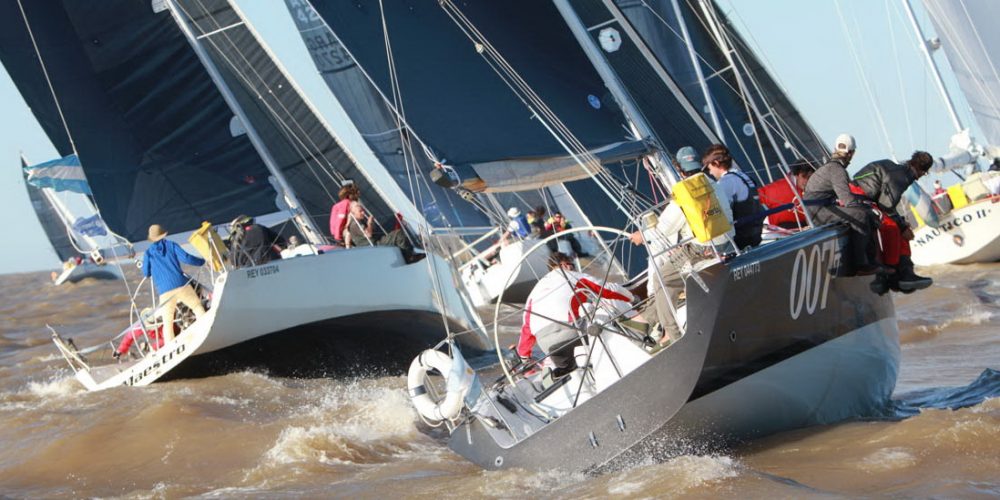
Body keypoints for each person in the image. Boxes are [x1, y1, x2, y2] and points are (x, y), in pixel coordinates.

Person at [629, 146, 734, 342]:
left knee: (662, 280)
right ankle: (646, 319)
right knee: (671, 277)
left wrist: (641, 235)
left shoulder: (685, 192)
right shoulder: (713, 184)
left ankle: (673, 336)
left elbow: (663, 229)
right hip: (727, 243)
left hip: (699, 249)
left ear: (679, 169)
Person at [516, 252, 635, 378]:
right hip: (571, 331)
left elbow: (526, 328)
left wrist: (524, 357)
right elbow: (607, 289)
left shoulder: (534, 292)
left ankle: (564, 373)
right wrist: (632, 298)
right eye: (572, 265)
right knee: (601, 311)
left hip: (547, 344)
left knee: (570, 370)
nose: (574, 268)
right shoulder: (570, 275)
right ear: (564, 265)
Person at [852, 151, 935, 293]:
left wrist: (902, 224)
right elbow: (886, 206)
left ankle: (898, 272)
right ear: (923, 172)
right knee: (893, 227)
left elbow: (884, 203)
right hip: (859, 201)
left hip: (860, 199)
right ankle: (895, 273)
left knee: (896, 225)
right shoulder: (902, 177)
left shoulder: (896, 169)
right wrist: (903, 227)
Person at [802, 134, 881, 275]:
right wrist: (868, 208)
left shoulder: (830, 167)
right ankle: (861, 265)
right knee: (861, 215)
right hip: (818, 211)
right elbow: (847, 200)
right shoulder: (837, 170)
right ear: (851, 153)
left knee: (864, 213)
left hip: (816, 209)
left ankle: (872, 262)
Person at [142, 224, 206, 342]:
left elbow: (146, 273)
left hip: (164, 291)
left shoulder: (148, 254)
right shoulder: (171, 245)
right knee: (197, 307)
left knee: (168, 322)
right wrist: (202, 261)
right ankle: (206, 332)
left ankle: (170, 346)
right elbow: (186, 258)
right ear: (163, 234)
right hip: (181, 285)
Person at [701, 144, 764, 249]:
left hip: (740, 241)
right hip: (756, 234)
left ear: (716, 163)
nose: (710, 173)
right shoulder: (743, 176)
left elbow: (721, 211)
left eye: (709, 168)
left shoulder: (725, 182)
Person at [757, 159, 815, 229]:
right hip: (782, 229)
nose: (807, 181)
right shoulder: (777, 189)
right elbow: (754, 197)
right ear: (796, 175)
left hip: (810, 225)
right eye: (804, 176)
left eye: (810, 177)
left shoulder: (818, 187)